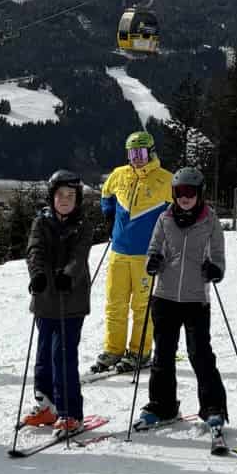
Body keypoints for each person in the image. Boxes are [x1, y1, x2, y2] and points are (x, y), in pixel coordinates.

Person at [136, 166, 228, 439]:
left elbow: (219, 254)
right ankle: (162, 406)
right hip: (164, 295)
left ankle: (213, 407)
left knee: (200, 354)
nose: (184, 198)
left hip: (195, 298)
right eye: (179, 192)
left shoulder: (210, 220)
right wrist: (153, 261)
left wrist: (216, 269)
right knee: (162, 354)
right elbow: (154, 247)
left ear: (199, 194)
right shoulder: (165, 218)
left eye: (190, 192)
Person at [93, 130, 172, 372]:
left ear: (151, 152)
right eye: (132, 152)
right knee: (115, 303)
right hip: (118, 251)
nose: (136, 157)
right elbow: (106, 193)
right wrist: (108, 214)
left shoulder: (165, 180)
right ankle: (113, 349)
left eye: (140, 152)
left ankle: (140, 351)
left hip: (145, 254)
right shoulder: (119, 175)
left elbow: (177, 212)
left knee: (141, 306)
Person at [22, 171, 93, 434]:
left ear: (77, 199)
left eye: (70, 196)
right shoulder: (41, 222)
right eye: (60, 195)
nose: (65, 200)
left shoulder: (83, 224)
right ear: (52, 197)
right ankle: (47, 406)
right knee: (43, 358)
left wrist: (68, 275)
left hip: (71, 300)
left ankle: (70, 413)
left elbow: (80, 255)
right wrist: (37, 275)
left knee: (63, 356)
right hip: (45, 299)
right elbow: (35, 250)